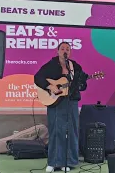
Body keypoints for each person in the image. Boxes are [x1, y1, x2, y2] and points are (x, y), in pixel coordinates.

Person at [34, 42, 88, 172]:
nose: (65, 51)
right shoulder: (50, 65)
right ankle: (53, 162)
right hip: (55, 102)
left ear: (70, 52)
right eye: (62, 48)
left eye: (68, 49)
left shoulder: (74, 66)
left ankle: (68, 161)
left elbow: (83, 84)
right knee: (56, 131)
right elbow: (38, 77)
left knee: (71, 131)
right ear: (57, 51)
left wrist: (80, 84)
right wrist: (50, 86)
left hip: (71, 101)